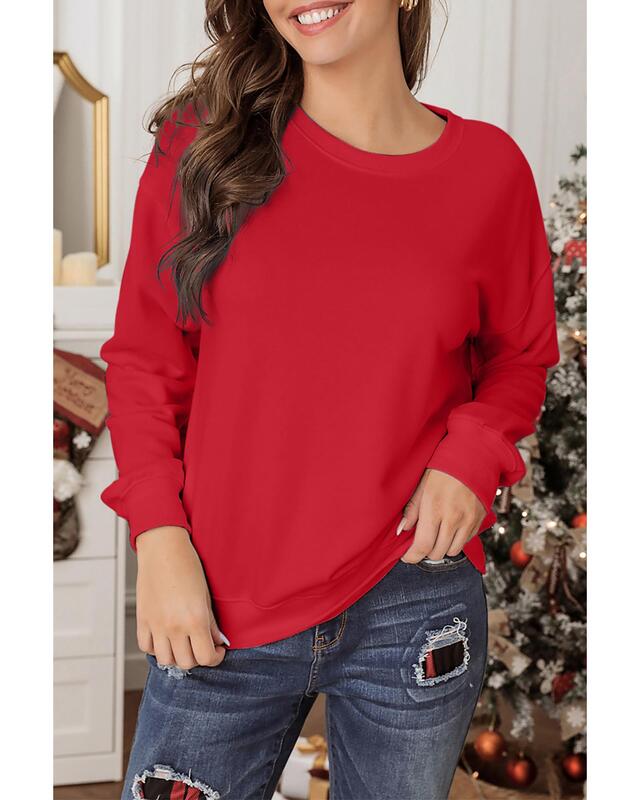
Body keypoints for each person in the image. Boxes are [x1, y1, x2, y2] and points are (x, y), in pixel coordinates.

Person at [101, 0, 560, 797]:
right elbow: (145, 362)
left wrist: (471, 456)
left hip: (413, 595)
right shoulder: (203, 146)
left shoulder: (490, 171)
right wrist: (159, 539)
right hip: (221, 598)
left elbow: (519, 354)